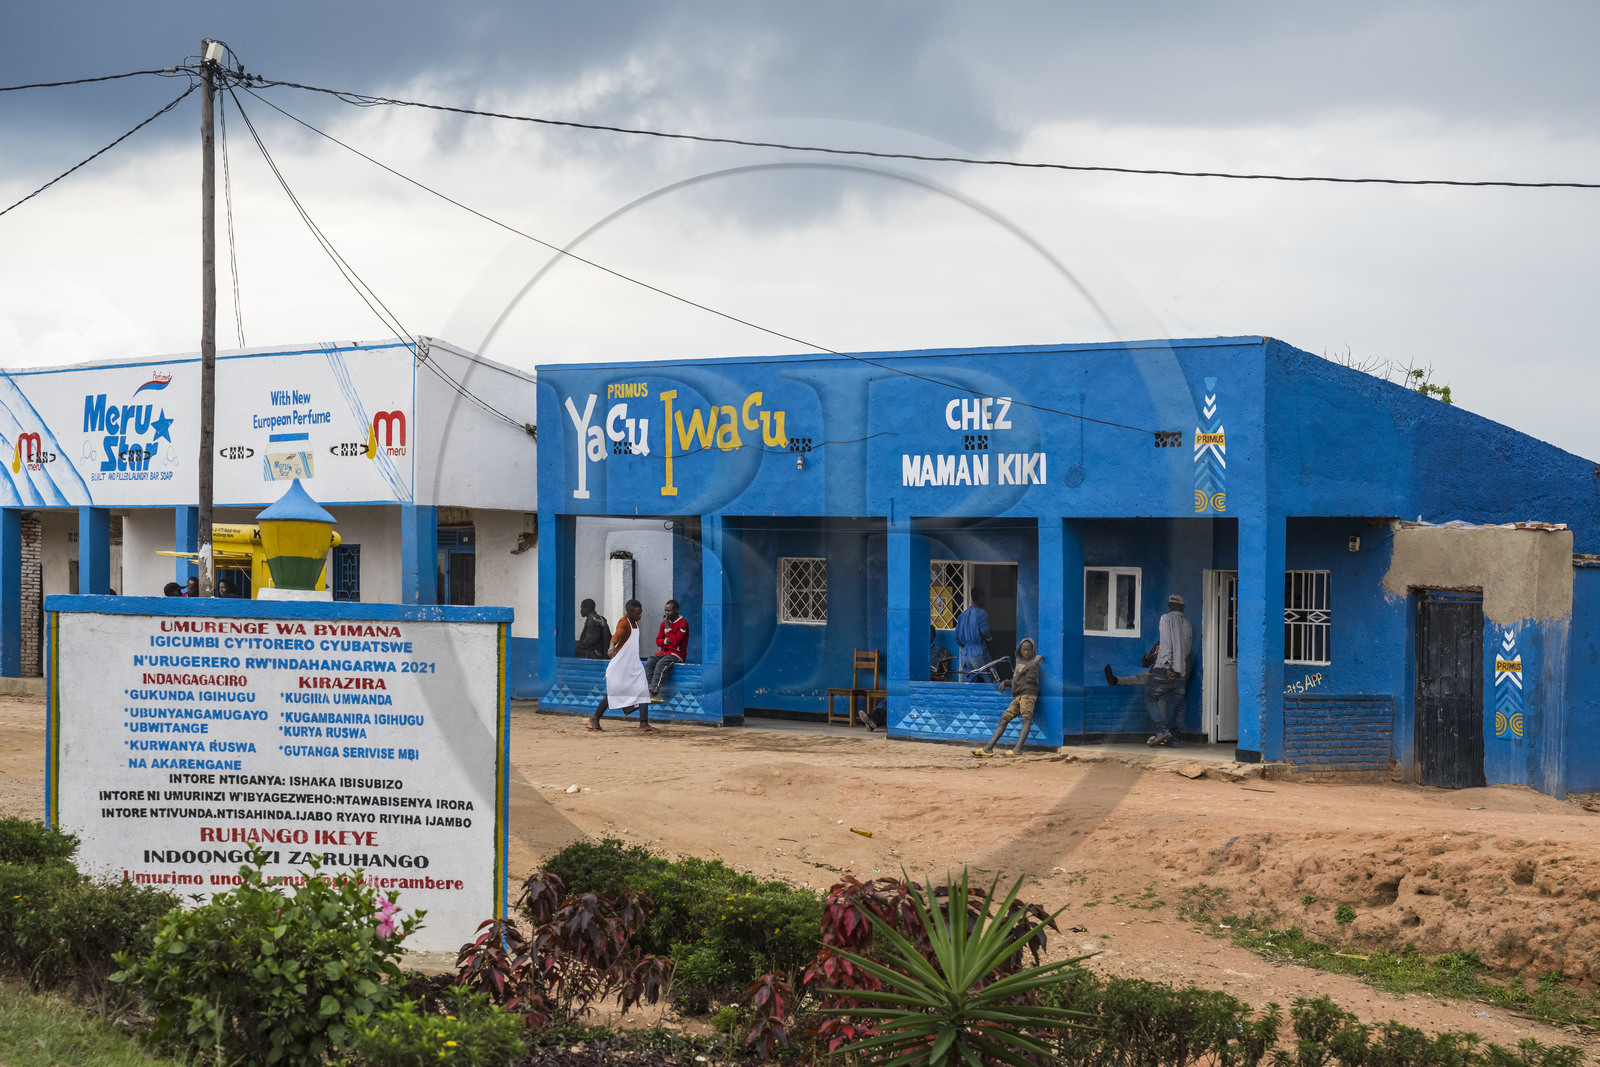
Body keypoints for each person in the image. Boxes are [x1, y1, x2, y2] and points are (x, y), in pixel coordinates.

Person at [587, 599, 656, 734]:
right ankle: (595, 718)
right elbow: (617, 634)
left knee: (643, 690)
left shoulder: (635, 622)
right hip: (620, 666)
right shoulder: (624, 622)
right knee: (613, 693)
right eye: (637, 613)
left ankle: (643, 723)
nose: (640, 616)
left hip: (633, 665)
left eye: (641, 613)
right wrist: (612, 645)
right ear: (628, 612)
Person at [973, 638, 1042, 757]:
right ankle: (988, 748)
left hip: (1028, 695)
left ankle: (1018, 749)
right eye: (1023, 649)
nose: (1025, 652)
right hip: (1018, 696)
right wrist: (1006, 682)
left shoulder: (1034, 663)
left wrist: (1034, 663)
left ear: (1032, 651)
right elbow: (1018, 680)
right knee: (1004, 719)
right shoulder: (1020, 662)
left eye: (1028, 650)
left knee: (1026, 720)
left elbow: (1030, 679)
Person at [1145, 594, 1194, 747]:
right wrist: (1178, 668)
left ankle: (1162, 730)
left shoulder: (1165, 618)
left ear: (1169, 605)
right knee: (1179, 708)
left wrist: (1167, 667)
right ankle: (1174, 739)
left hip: (1164, 671)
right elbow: (1186, 652)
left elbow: (1166, 644)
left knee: (1150, 698)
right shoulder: (1188, 625)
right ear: (1183, 607)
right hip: (1180, 672)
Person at [646, 599, 688, 700]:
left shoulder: (683, 623)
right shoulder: (664, 623)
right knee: (650, 661)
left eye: (669, 611)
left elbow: (676, 641)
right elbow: (658, 641)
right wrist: (665, 641)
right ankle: (648, 689)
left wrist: (668, 628)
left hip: (677, 654)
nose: (666, 613)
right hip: (664, 652)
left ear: (676, 610)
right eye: (665, 610)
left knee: (661, 664)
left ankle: (654, 691)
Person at [954, 588, 993, 682]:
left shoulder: (962, 615)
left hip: (965, 654)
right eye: (984, 597)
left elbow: (956, 638)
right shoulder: (982, 613)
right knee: (991, 679)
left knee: (969, 684)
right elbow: (985, 631)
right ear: (981, 597)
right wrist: (990, 638)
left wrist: (966, 646)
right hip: (978, 652)